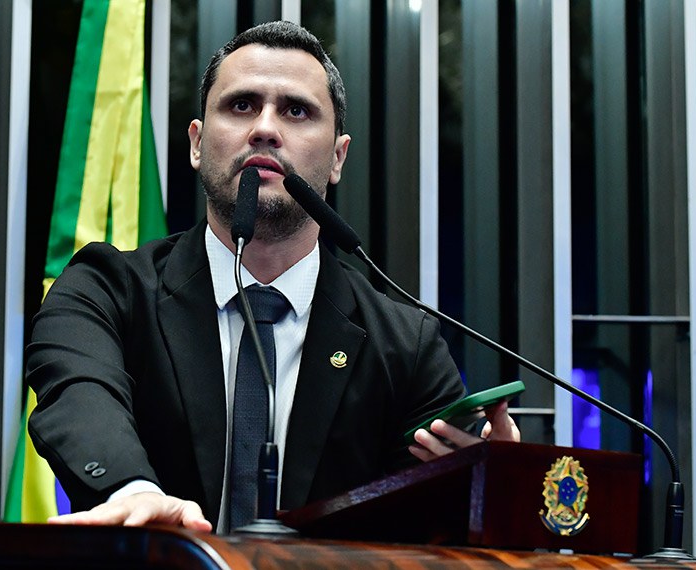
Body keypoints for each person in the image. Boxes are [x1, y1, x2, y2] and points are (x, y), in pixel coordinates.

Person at [26, 20, 519, 534]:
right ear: (196, 144)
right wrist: (135, 492)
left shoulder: (404, 343)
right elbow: (79, 392)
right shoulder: (106, 287)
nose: (264, 128)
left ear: (337, 158)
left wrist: (495, 488)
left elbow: (424, 525)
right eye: (241, 106)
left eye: (296, 110)